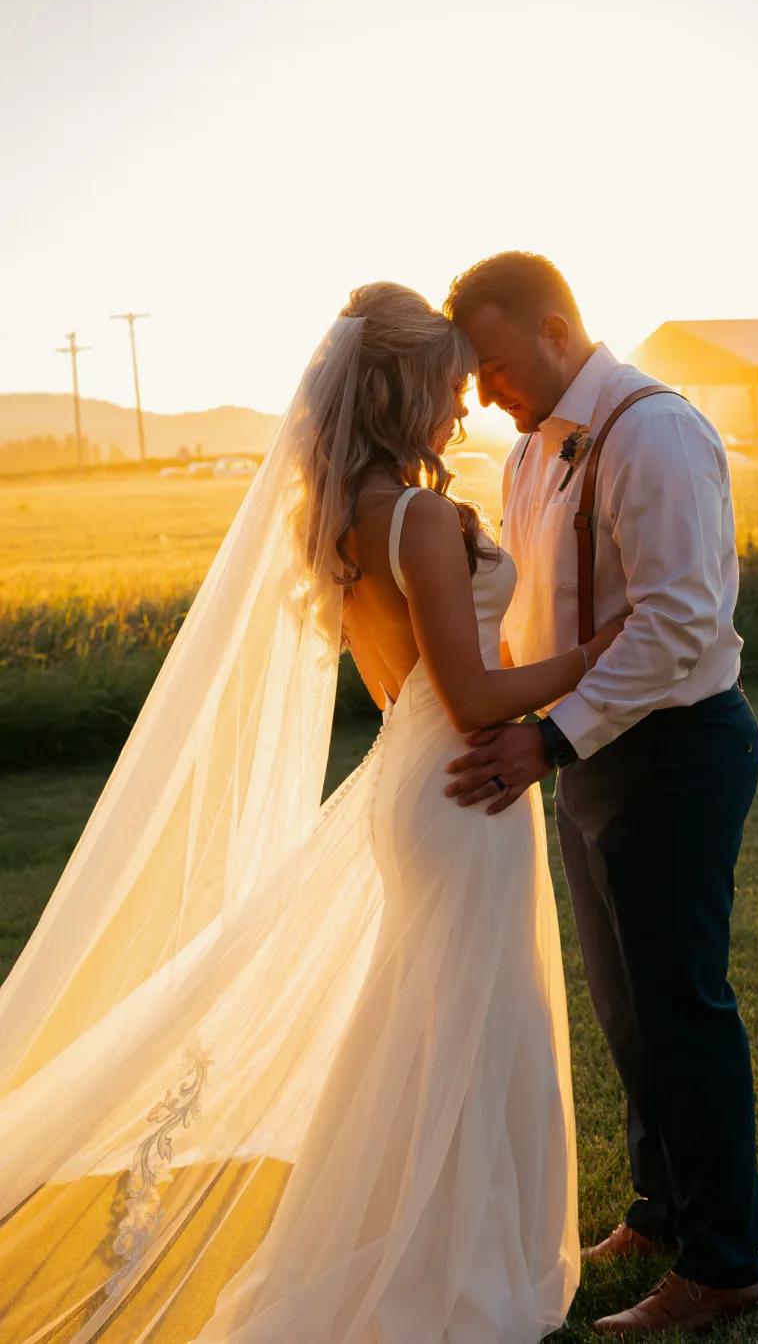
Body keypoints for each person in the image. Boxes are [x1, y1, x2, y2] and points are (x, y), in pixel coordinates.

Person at [0, 283, 623, 1344]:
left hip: (410, 776)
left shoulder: (343, 519)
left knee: (437, 1023)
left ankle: (451, 1245)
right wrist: (596, 656)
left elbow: (410, 687)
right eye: (444, 388)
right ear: (395, 390)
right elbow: (469, 694)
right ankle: (459, 1273)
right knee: (474, 1025)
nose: (460, 411)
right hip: (459, 788)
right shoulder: (420, 517)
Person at [443, 252, 758, 1337]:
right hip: (586, 752)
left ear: (554, 325)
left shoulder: (653, 430)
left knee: (681, 1009)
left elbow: (676, 622)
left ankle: (724, 1264)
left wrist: (551, 742)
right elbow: (546, 610)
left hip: (673, 750)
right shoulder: (530, 452)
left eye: (492, 363)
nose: (484, 390)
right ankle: (661, 1210)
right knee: (626, 1011)